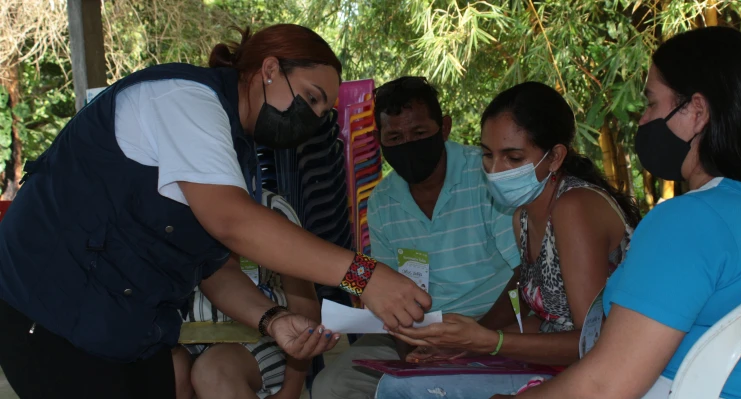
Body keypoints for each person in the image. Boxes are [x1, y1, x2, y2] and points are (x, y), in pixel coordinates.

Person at [0, 24, 430, 399]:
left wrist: (274, 319)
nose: (315, 119)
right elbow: (235, 223)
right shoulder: (186, 100)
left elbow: (214, 269)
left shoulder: (233, 154)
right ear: (269, 69)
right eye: (312, 98)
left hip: (124, 332)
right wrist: (364, 276)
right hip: (50, 317)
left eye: (324, 111)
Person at [489, 26, 741, 399]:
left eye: (651, 103)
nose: (641, 121)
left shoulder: (689, 222)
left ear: (697, 111)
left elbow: (604, 386)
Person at [375, 81, 641, 398]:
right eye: (488, 155)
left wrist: (490, 343)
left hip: (607, 377)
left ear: (555, 157)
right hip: (555, 367)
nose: (496, 170)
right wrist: (464, 349)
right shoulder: (523, 215)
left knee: (403, 390)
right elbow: (544, 321)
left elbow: (593, 342)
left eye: (512, 158)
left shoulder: (574, 208)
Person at [312, 76, 521, 399]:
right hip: (416, 333)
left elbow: (524, 273)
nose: (407, 144)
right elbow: (382, 287)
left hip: (495, 325)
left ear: (445, 128)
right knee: (332, 386)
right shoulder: (382, 201)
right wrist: (411, 350)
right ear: (380, 139)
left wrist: (473, 340)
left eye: (419, 133)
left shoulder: (485, 175)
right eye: (394, 137)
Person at [173, 191, 317, 399]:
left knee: (214, 372)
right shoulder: (165, 209)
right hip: (182, 338)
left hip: (262, 338)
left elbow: (305, 306)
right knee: (165, 374)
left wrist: (292, 388)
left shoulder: (270, 208)